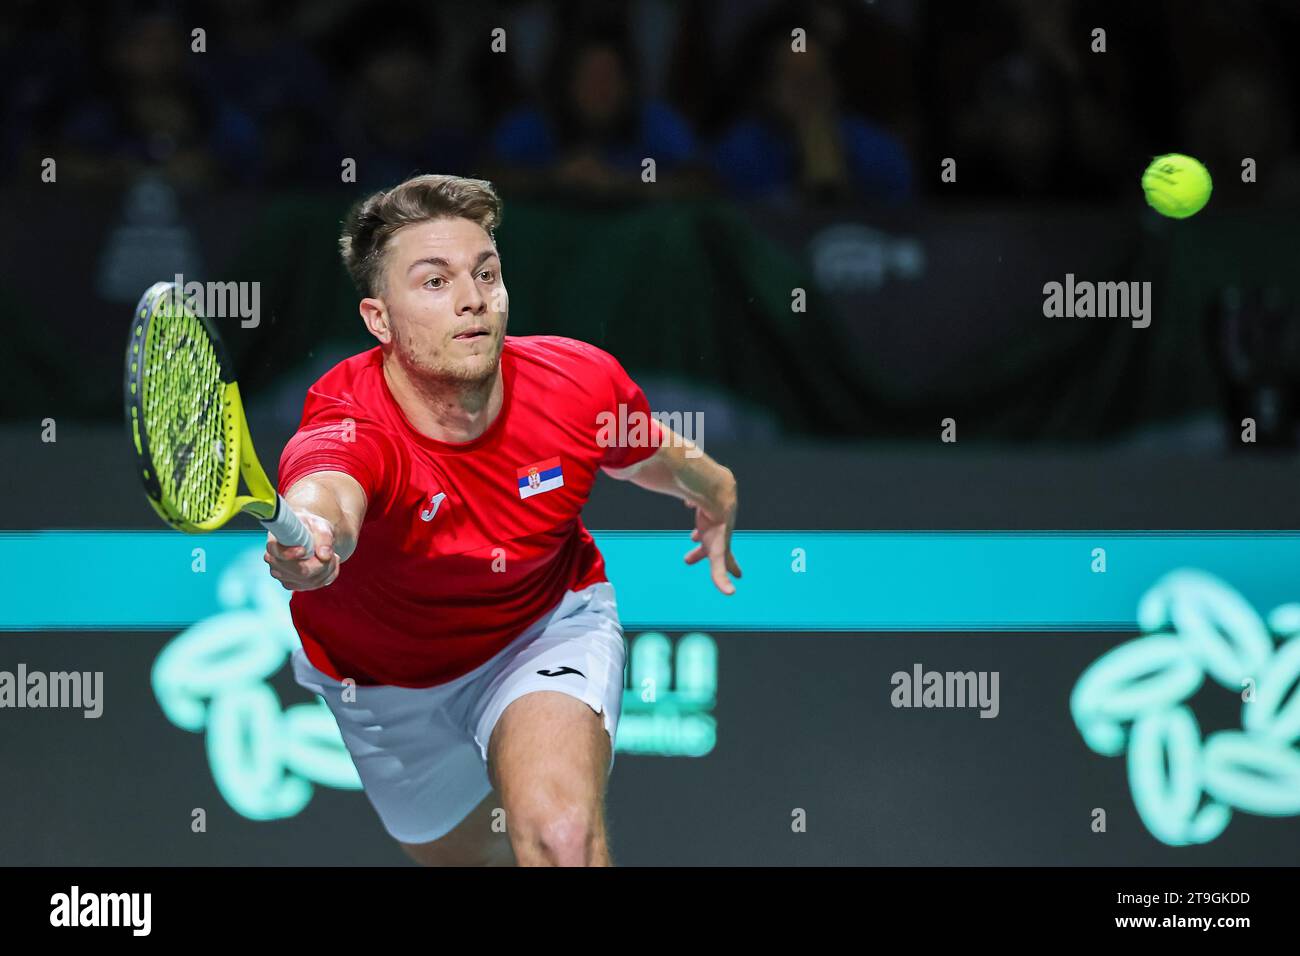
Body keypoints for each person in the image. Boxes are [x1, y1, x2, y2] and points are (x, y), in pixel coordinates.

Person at [266, 173, 741, 866]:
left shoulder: (576, 383)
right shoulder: (348, 422)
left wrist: (716, 488)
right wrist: (315, 539)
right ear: (379, 319)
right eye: (434, 283)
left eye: (486, 273)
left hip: (539, 633)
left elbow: (646, 453)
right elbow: (327, 492)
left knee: (560, 835)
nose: (472, 299)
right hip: (380, 686)